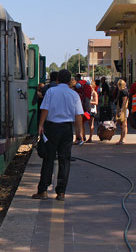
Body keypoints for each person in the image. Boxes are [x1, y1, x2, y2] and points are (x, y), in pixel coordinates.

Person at [32, 69, 83, 201]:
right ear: (69, 80)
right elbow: (78, 116)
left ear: (57, 80)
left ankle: (43, 190)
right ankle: (61, 192)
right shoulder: (74, 95)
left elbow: (45, 109)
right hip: (67, 129)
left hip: (52, 128)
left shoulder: (51, 92)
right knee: (64, 160)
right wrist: (79, 134)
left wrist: (40, 125)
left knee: (48, 159)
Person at [115, 79, 129, 145]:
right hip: (122, 109)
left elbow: (124, 101)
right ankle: (121, 138)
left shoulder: (124, 92)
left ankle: (123, 139)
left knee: (124, 125)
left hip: (124, 110)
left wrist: (121, 110)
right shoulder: (122, 91)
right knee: (122, 125)